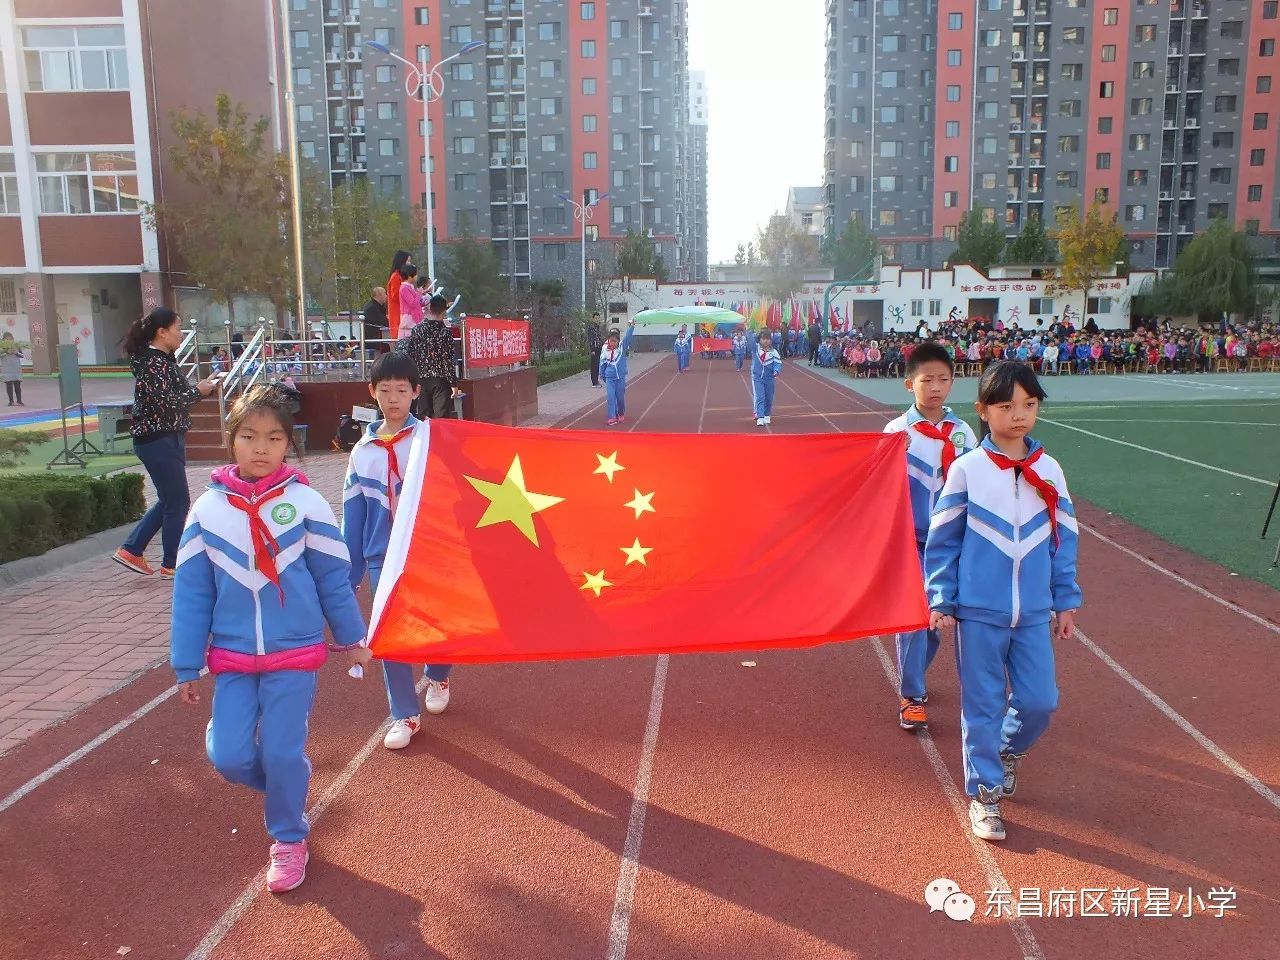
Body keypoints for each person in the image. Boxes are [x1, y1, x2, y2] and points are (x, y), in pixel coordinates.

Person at [170, 385, 370, 892]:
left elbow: (333, 577)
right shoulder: (206, 513)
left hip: (294, 654)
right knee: (230, 757)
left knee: (282, 753)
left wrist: (351, 636)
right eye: (249, 436)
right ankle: (289, 790)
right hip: (233, 658)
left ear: (289, 445)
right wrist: (185, 664)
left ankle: (288, 838)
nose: (261, 448)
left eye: (274, 438)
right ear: (231, 441)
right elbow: (191, 594)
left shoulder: (306, 503)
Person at [925, 361, 1081, 842]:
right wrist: (941, 597)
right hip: (979, 614)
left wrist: (1064, 600)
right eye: (1007, 406)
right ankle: (986, 795)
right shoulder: (968, 470)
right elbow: (943, 540)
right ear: (983, 411)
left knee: (1040, 701)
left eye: (1029, 405)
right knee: (983, 706)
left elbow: (1064, 540)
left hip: (1033, 614)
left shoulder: (1049, 469)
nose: (1019, 415)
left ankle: (1008, 751)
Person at [342, 353, 452, 750]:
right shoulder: (362, 452)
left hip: (427, 554)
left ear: (416, 393)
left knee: (437, 623)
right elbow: (352, 512)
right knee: (388, 635)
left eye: (401, 391)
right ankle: (404, 712)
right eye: (384, 390)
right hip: (380, 556)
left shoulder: (430, 441)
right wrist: (350, 570)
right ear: (372, 392)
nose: (393, 399)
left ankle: (439, 674)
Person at [882, 342, 976, 732]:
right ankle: (912, 695)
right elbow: (877, 485)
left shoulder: (963, 433)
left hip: (953, 544)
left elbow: (977, 481)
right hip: (912, 541)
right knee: (915, 619)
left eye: (943, 379)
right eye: (927, 380)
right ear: (909, 385)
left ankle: (914, 669)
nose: (936, 387)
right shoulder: (896, 432)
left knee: (939, 619)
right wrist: (890, 454)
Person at [113, 308, 217, 578]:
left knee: (170, 499)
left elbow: (179, 394)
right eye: (177, 328)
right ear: (162, 332)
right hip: (157, 438)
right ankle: (172, 563)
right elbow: (166, 404)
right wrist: (198, 391)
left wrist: (203, 388)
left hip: (165, 437)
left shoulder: (163, 359)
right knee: (178, 501)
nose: (180, 333)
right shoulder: (152, 362)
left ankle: (132, 549)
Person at [404, 294, 462, 419]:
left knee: (423, 418)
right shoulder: (445, 332)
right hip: (440, 381)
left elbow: (410, 355)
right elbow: (448, 359)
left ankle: (425, 438)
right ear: (444, 311)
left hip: (421, 380)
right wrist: (453, 384)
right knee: (441, 418)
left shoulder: (417, 329)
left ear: (429, 308)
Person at [599, 319, 636, 426]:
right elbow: (602, 363)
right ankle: (612, 417)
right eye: (611, 340)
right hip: (610, 377)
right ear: (608, 340)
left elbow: (628, 338)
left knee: (619, 397)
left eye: (615, 340)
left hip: (620, 377)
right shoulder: (605, 349)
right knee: (610, 397)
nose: (613, 342)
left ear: (618, 341)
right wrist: (602, 374)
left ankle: (620, 412)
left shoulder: (622, 348)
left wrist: (631, 326)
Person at [750, 328, 782, 426]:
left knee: (769, 398)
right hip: (758, 378)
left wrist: (776, 371)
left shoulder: (774, 352)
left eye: (768, 339)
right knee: (760, 397)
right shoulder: (756, 350)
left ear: (771, 340)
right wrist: (749, 330)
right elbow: (750, 340)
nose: (765, 341)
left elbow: (778, 363)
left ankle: (767, 415)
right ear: (760, 340)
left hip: (769, 379)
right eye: (763, 339)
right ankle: (760, 416)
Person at [387, 250, 413, 340]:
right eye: (408, 261)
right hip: (398, 316)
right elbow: (395, 296)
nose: (410, 264)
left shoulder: (401, 277)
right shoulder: (396, 277)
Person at [397, 267, 424, 343]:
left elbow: (418, 302)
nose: (416, 276)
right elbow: (412, 303)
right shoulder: (404, 288)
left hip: (414, 317)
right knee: (409, 340)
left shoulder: (410, 287)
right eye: (415, 274)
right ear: (409, 276)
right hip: (409, 318)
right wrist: (419, 293)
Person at [362, 287, 390, 354]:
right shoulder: (371, 308)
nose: (386, 296)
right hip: (374, 340)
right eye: (385, 294)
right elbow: (383, 323)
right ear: (379, 295)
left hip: (379, 338)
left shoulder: (377, 307)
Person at [1, 332, 23, 406]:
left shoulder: (16, 345)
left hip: (16, 367)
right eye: (7, 339)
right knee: (9, 385)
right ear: (3, 339)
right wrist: (6, 352)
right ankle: (11, 401)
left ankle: (19, 401)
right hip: (6, 368)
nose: (9, 340)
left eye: (11, 339)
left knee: (17, 385)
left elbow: (22, 355)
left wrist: (16, 352)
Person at [587, 312, 604, 388]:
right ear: (593, 318)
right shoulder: (591, 327)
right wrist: (592, 349)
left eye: (598, 318)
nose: (597, 319)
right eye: (596, 318)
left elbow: (599, 337)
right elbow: (590, 338)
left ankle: (596, 381)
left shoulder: (598, 327)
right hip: (594, 348)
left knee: (597, 365)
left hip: (599, 348)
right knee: (594, 365)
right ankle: (594, 382)